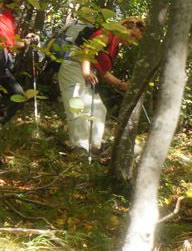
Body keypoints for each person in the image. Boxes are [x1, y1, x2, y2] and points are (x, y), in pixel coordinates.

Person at [57, 16, 144, 158]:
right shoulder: (107, 34)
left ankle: (95, 146)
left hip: (88, 74)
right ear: (124, 27)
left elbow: (103, 72)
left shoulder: (115, 45)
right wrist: (86, 72)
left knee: (99, 110)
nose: (133, 40)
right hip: (74, 67)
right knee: (77, 106)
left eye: (136, 39)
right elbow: (88, 50)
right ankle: (80, 147)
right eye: (132, 35)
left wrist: (121, 84)